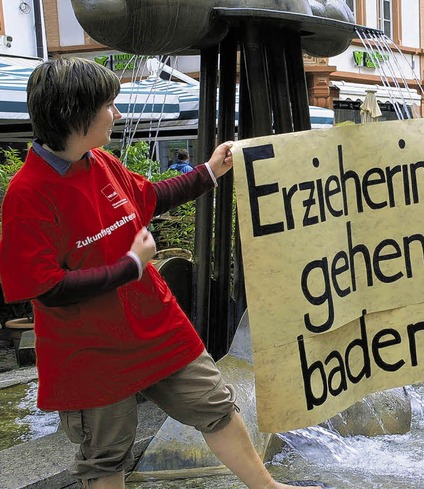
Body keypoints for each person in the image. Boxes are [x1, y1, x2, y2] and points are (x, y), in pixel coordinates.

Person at [0, 57, 322, 489]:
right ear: (73, 113)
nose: (117, 114)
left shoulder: (100, 162)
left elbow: (148, 197)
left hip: (155, 325)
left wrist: (209, 172)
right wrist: (129, 267)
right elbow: (44, 288)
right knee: (105, 455)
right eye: (108, 105)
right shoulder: (28, 193)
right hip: (91, 351)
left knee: (216, 405)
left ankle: (268, 488)